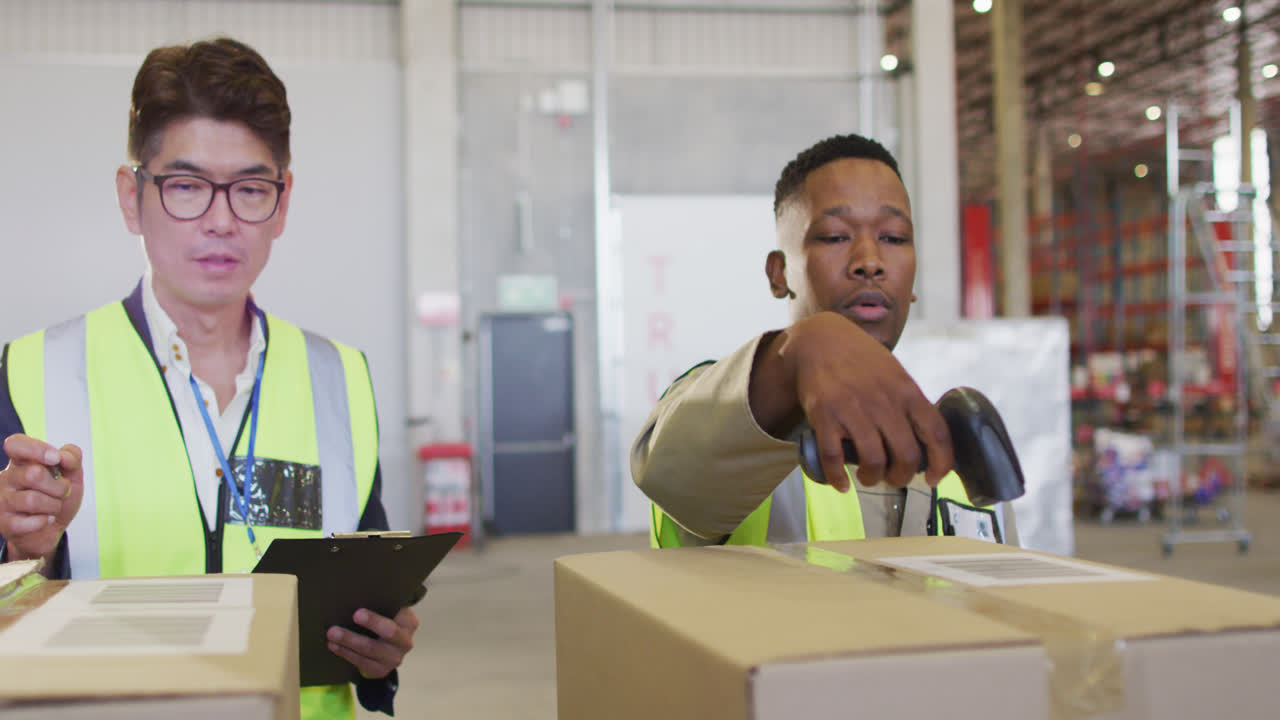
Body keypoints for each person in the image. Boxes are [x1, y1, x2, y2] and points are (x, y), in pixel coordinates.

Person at [0, 38, 413, 719]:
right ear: (132, 197)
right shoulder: (33, 372)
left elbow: (366, 597)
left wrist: (379, 651)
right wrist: (21, 551)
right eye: (187, 186)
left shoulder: (339, 377)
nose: (221, 221)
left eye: (250, 189)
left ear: (281, 205)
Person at [632, 133, 1017, 547]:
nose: (870, 262)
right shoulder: (734, 425)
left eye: (894, 238)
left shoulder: (961, 457)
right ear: (779, 275)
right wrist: (793, 353)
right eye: (835, 237)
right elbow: (670, 471)